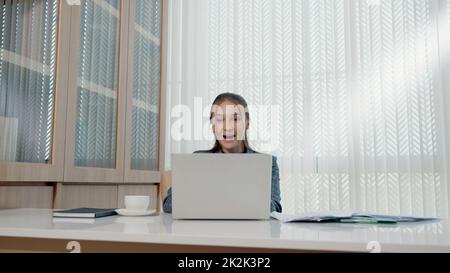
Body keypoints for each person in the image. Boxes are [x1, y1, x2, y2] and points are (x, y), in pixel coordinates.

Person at [163, 92, 282, 213]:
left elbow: (275, 209)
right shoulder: (198, 161)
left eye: (235, 119)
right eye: (220, 120)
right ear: (213, 126)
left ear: (247, 123)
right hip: (208, 230)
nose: (228, 127)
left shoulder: (267, 163)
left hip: (251, 231)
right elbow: (169, 204)